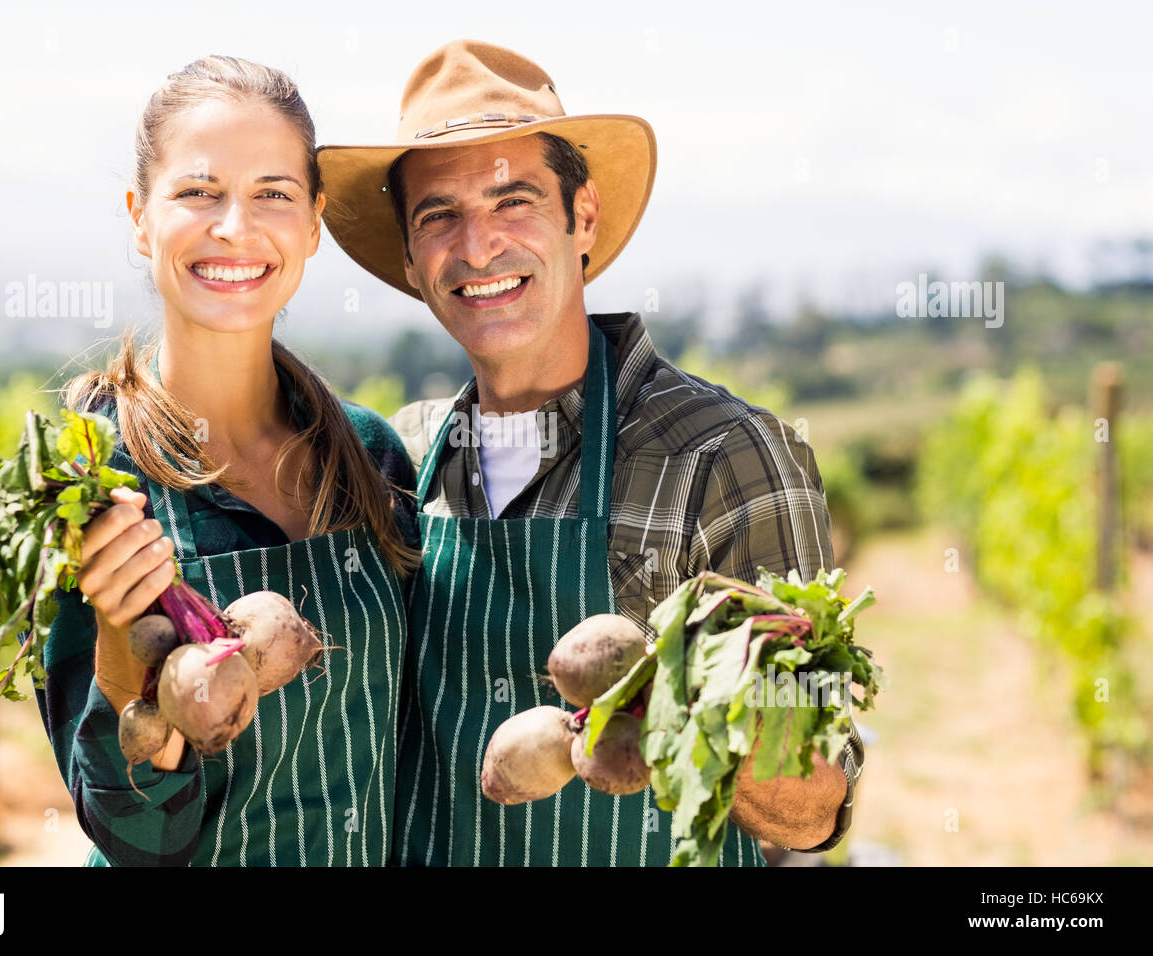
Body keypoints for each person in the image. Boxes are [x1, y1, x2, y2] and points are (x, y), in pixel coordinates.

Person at [317, 39, 864, 867]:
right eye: (439, 215)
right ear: (408, 257)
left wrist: (680, 705)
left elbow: (813, 812)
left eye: (515, 200)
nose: (478, 245)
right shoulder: (410, 453)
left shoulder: (726, 456)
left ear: (583, 218)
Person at [34, 55, 421, 867]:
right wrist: (117, 640)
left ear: (314, 222)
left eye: (273, 195)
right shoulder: (90, 487)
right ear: (141, 218)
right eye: (199, 193)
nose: (235, 228)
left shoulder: (373, 456)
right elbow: (133, 841)